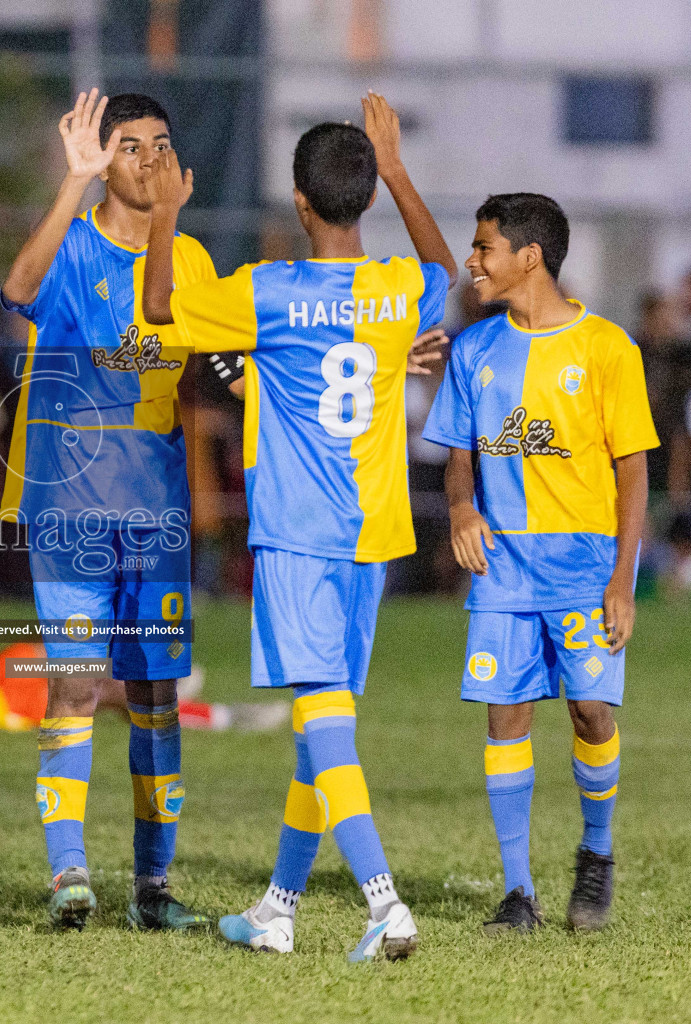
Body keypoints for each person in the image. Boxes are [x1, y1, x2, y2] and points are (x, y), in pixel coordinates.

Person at [141, 92, 456, 959]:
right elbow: (443, 271)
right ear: (361, 194)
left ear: (302, 202)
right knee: (328, 725)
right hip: (374, 534)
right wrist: (398, 170)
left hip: (298, 533)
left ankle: (384, 902)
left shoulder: (267, 294)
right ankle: (278, 908)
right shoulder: (398, 294)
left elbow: (163, 304)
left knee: (322, 718)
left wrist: (168, 212)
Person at [0, 90, 218, 934]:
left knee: (157, 690)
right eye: (130, 146)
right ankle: (68, 874)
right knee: (80, 681)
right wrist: (72, 183)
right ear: (102, 156)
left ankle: (153, 888)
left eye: (161, 145)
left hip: (155, 510)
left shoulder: (190, 260)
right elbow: (18, 287)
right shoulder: (77, 246)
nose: (149, 160)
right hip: (72, 504)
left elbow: (231, 355)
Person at [421, 192, 658, 934]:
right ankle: (518, 892)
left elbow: (633, 469)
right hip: (503, 570)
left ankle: (597, 850)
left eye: (484, 247)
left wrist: (623, 579)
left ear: (529, 257)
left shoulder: (606, 348)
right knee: (506, 716)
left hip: (585, 570)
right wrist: (462, 507)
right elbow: (458, 456)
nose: (472, 261)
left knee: (590, 711)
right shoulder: (475, 349)